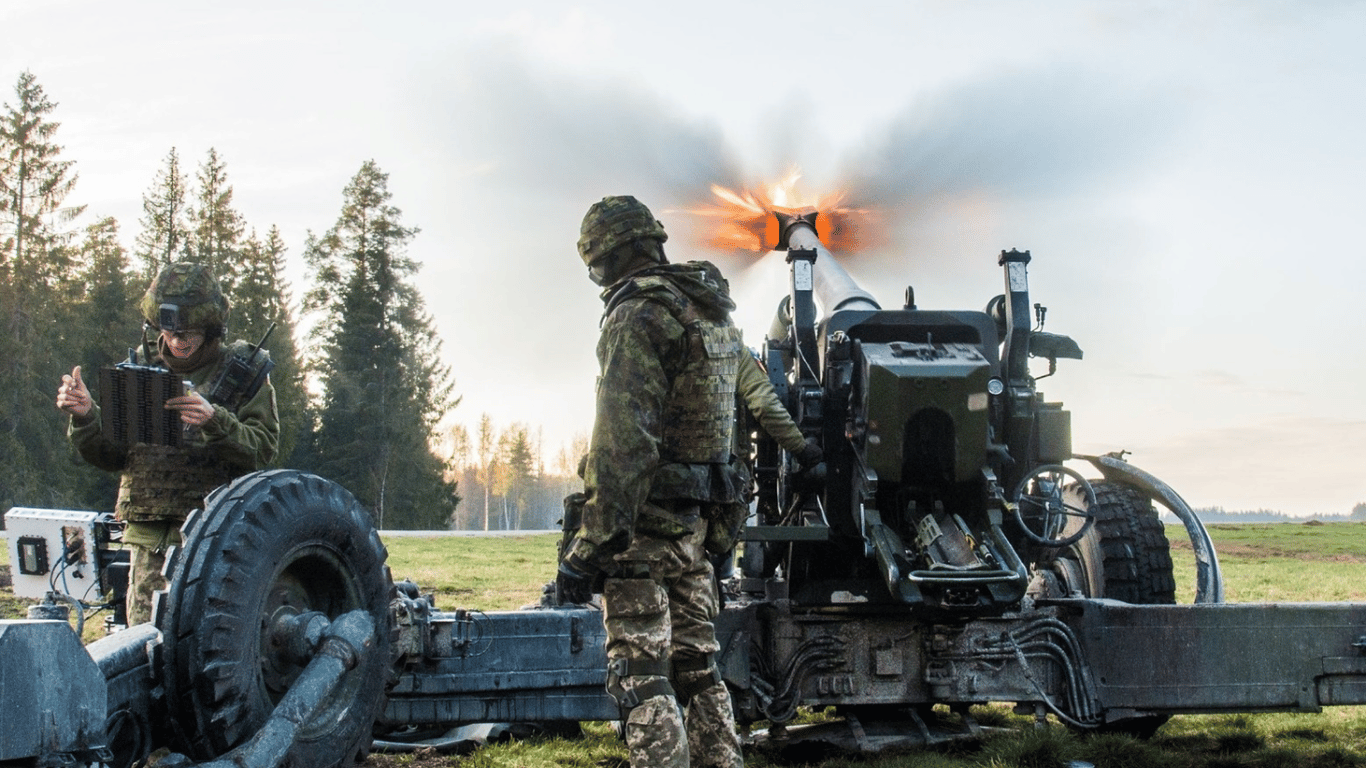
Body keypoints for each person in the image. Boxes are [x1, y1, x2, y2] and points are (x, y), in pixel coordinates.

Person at [557, 195, 747, 768]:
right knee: (698, 666)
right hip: (697, 527)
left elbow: (623, 446)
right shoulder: (711, 315)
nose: (598, 280)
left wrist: (588, 548)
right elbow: (726, 437)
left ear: (618, 256)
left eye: (597, 267)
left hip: (641, 529)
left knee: (641, 674)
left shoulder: (637, 315)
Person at [55, 262, 279, 625]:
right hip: (151, 539)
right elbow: (113, 456)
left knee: (211, 643)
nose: (178, 340)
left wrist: (215, 421)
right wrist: (86, 416)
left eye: (188, 331)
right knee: (145, 647)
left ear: (211, 327)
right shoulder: (139, 368)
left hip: (217, 537)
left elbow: (263, 451)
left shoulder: (244, 372)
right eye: (169, 330)